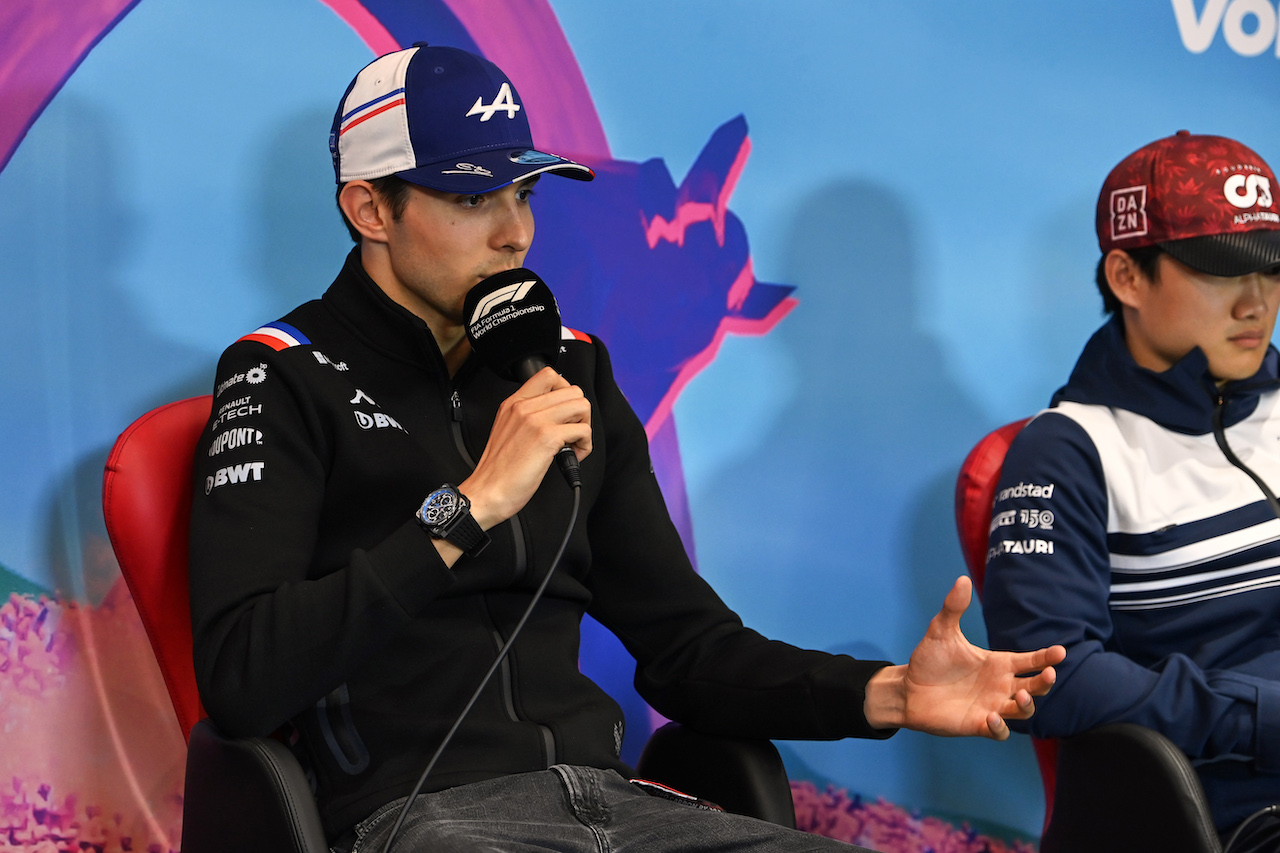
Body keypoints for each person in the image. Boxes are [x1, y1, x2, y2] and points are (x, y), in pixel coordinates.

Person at [188, 43, 1063, 852]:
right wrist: (470, 505)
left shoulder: (573, 368)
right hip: (424, 821)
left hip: (612, 806)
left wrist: (889, 694)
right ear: (369, 207)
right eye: (470, 200)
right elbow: (243, 677)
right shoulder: (282, 377)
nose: (515, 234)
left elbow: (687, 647)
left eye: (523, 193)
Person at [982, 131, 1280, 850]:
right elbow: (1052, 678)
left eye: (1272, 268)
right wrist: (1264, 715)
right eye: (1221, 271)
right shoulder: (1065, 451)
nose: (1255, 301)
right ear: (1127, 276)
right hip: (1224, 817)